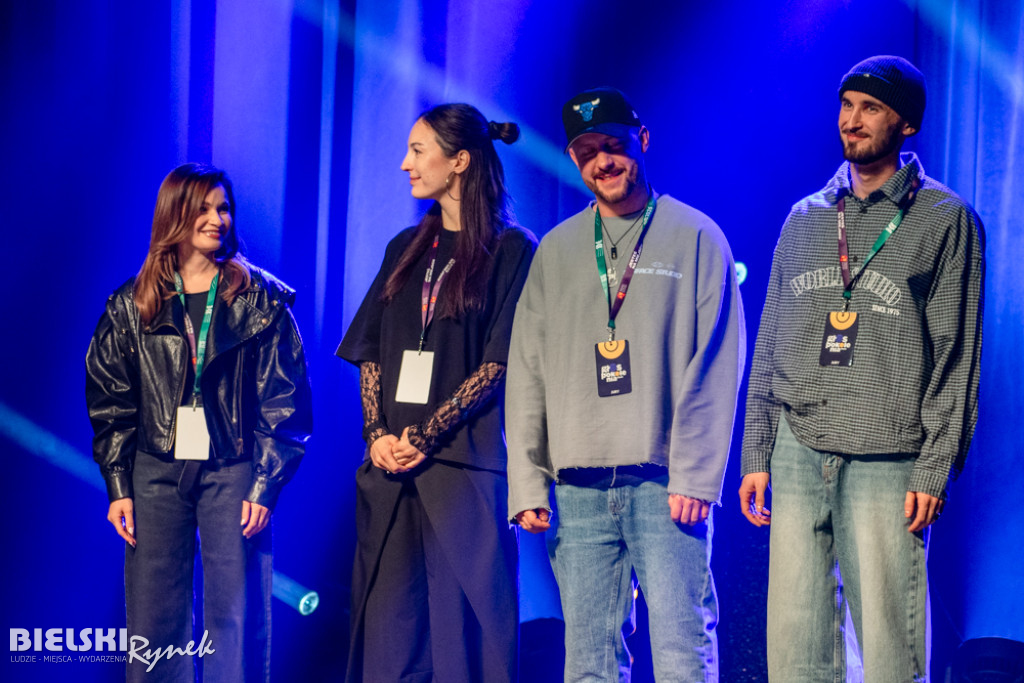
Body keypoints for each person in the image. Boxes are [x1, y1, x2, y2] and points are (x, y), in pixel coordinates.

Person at [739, 55, 985, 682]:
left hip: (888, 456)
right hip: (798, 449)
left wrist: (935, 466)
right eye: (846, 106)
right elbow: (772, 339)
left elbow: (957, 355)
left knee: (889, 647)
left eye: (870, 108)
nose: (852, 121)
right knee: (795, 644)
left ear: (907, 125)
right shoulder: (807, 217)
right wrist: (756, 453)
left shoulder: (945, 219)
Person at [506, 87, 745, 681]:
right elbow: (527, 369)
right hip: (578, 490)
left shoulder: (696, 235)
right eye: (586, 152)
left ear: (642, 139)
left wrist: (695, 473)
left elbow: (719, 363)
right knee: (587, 662)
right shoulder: (557, 249)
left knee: (682, 652)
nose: (602, 162)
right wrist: (527, 483)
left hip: (667, 485)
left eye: (612, 146)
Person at [85, 163, 313, 682]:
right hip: (154, 470)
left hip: (233, 470)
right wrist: (119, 485)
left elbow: (287, 400)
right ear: (175, 215)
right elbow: (110, 399)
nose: (218, 219)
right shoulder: (131, 304)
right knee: (154, 616)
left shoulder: (261, 300)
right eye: (205, 208)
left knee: (236, 611)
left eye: (224, 208)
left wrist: (265, 483)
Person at [336, 103, 535, 682]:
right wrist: (377, 436)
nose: (405, 164)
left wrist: (425, 435)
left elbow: (499, 362)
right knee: (391, 646)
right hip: (392, 472)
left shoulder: (512, 249)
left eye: (418, 150)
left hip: (462, 474)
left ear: (460, 162)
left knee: (463, 648)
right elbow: (369, 346)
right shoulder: (405, 247)